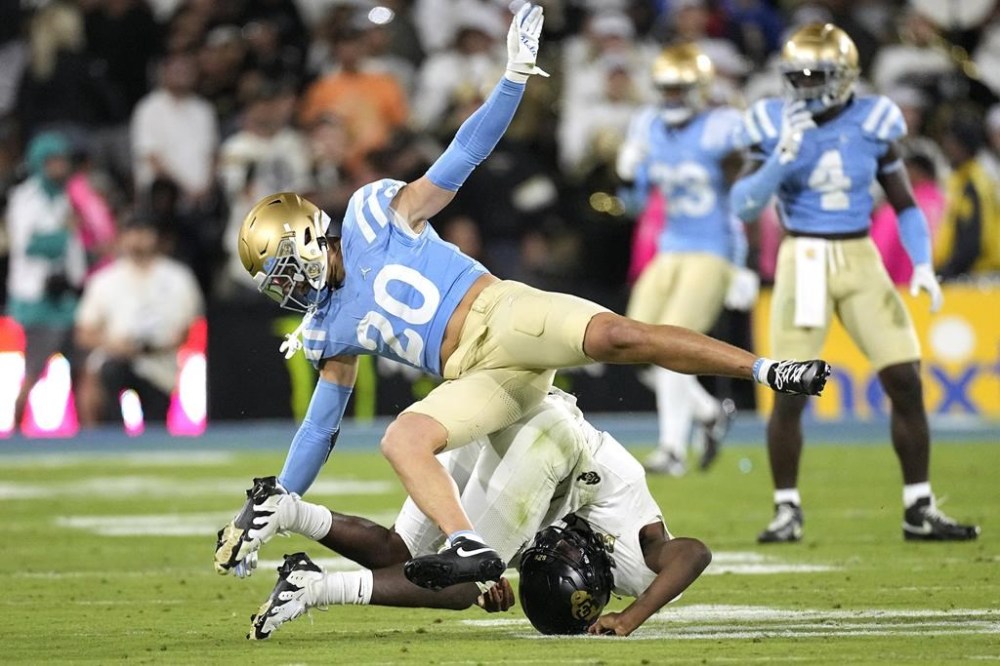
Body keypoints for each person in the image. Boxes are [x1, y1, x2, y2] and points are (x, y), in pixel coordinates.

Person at [215, 5, 829, 592]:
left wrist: (511, 80)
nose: (292, 290)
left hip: (504, 313)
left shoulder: (378, 212)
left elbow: (464, 155)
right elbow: (319, 428)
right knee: (402, 437)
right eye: (279, 285)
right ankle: (466, 544)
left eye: (287, 272)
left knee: (621, 336)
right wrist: (275, 501)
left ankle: (768, 368)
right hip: (473, 377)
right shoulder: (327, 327)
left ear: (309, 237)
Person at [729, 23, 980, 543]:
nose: (800, 85)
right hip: (804, 256)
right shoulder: (773, 121)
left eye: (813, 75)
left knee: (905, 379)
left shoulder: (874, 118)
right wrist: (782, 156)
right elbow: (744, 204)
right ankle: (786, 508)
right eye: (793, 74)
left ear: (843, 78)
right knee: (790, 388)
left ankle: (918, 506)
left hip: (860, 254)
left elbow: (906, 204)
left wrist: (923, 265)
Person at [219, 390, 712, 639]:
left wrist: (489, 589)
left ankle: (286, 510)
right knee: (459, 587)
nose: (548, 551)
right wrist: (630, 618)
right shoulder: (637, 554)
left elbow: (535, 538)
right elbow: (693, 553)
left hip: (515, 407)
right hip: (547, 439)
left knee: (402, 550)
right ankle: (316, 587)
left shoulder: (573, 543)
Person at [616, 43, 758, 477]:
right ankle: (710, 412)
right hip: (670, 247)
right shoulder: (648, 126)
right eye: (666, 89)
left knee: (669, 346)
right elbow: (635, 206)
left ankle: (672, 450)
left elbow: (744, 197)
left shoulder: (723, 126)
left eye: (680, 89)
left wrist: (738, 261)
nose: (672, 98)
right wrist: (626, 174)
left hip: (711, 249)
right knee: (629, 344)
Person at [74, 216, 202, 425]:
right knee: (107, 375)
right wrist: (115, 345)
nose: (138, 240)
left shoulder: (178, 277)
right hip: (115, 361)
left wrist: (159, 345)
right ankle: (111, 435)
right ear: (122, 237)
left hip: (160, 364)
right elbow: (84, 332)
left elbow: (189, 327)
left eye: (144, 232)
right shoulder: (105, 280)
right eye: (133, 232)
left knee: (156, 425)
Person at [5, 131, 86, 428]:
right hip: (36, 298)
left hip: (65, 296)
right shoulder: (25, 196)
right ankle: (14, 431)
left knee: (80, 367)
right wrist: (64, 233)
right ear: (39, 162)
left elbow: (73, 247)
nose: (59, 167)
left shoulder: (63, 196)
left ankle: (87, 436)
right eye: (52, 161)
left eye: (62, 161)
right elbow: (27, 244)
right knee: (35, 368)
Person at [933, 111, 1000, 280]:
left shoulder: (974, 183)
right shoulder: (966, 177)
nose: (947, 148)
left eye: (951, 143)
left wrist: (948, 271)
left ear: (963, 146)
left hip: (979, 274)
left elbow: (972, 237)